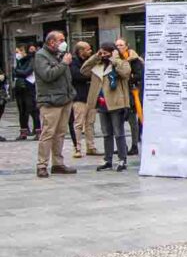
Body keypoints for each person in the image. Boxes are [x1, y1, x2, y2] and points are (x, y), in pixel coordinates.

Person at [82, 42, 133, 171]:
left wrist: (115, 59)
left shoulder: (120, 62)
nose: (104, 55)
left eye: (106, 53)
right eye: (102, 52)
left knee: (118, 132)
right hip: (102, 104)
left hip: (117, 103)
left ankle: (122, 159)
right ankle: (108, 159)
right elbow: (84, 70)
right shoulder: (98, 65)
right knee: (106, 133)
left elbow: (126, 73)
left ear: (113, 52)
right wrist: (95, 57)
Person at [33, 32, 78, 178]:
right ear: (52, 42)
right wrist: (64, 63)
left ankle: (58, 163)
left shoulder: (59, 54)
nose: (64, 42)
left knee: (60, 133)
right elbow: (47, 75)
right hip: (50, 100)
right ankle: (42, 165)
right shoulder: (41, 55)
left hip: (65, 99)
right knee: (48, 133)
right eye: (61, 40)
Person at [69, 42, 98, 158]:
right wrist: (90, 75)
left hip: (91, 96)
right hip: (79, 97)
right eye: (88, 49)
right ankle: (77, 148)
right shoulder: (73, 62)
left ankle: (91, 147)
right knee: (78, 124)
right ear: (81, 51)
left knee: (90, 123)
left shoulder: (91, 61)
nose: (90, 51)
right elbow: (76, 76)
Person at [13, 44, 40, 140]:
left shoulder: (32, 60)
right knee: (22, 111)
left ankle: (38, 131)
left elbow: (27, 72)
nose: (19, 53)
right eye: (17, 51)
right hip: (19, 88)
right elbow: (14, 73)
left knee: (33, 109)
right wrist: (17, 71)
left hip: (29, 87)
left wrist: (17, 71)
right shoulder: (19, 61)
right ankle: (23, 132)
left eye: (21, 51)